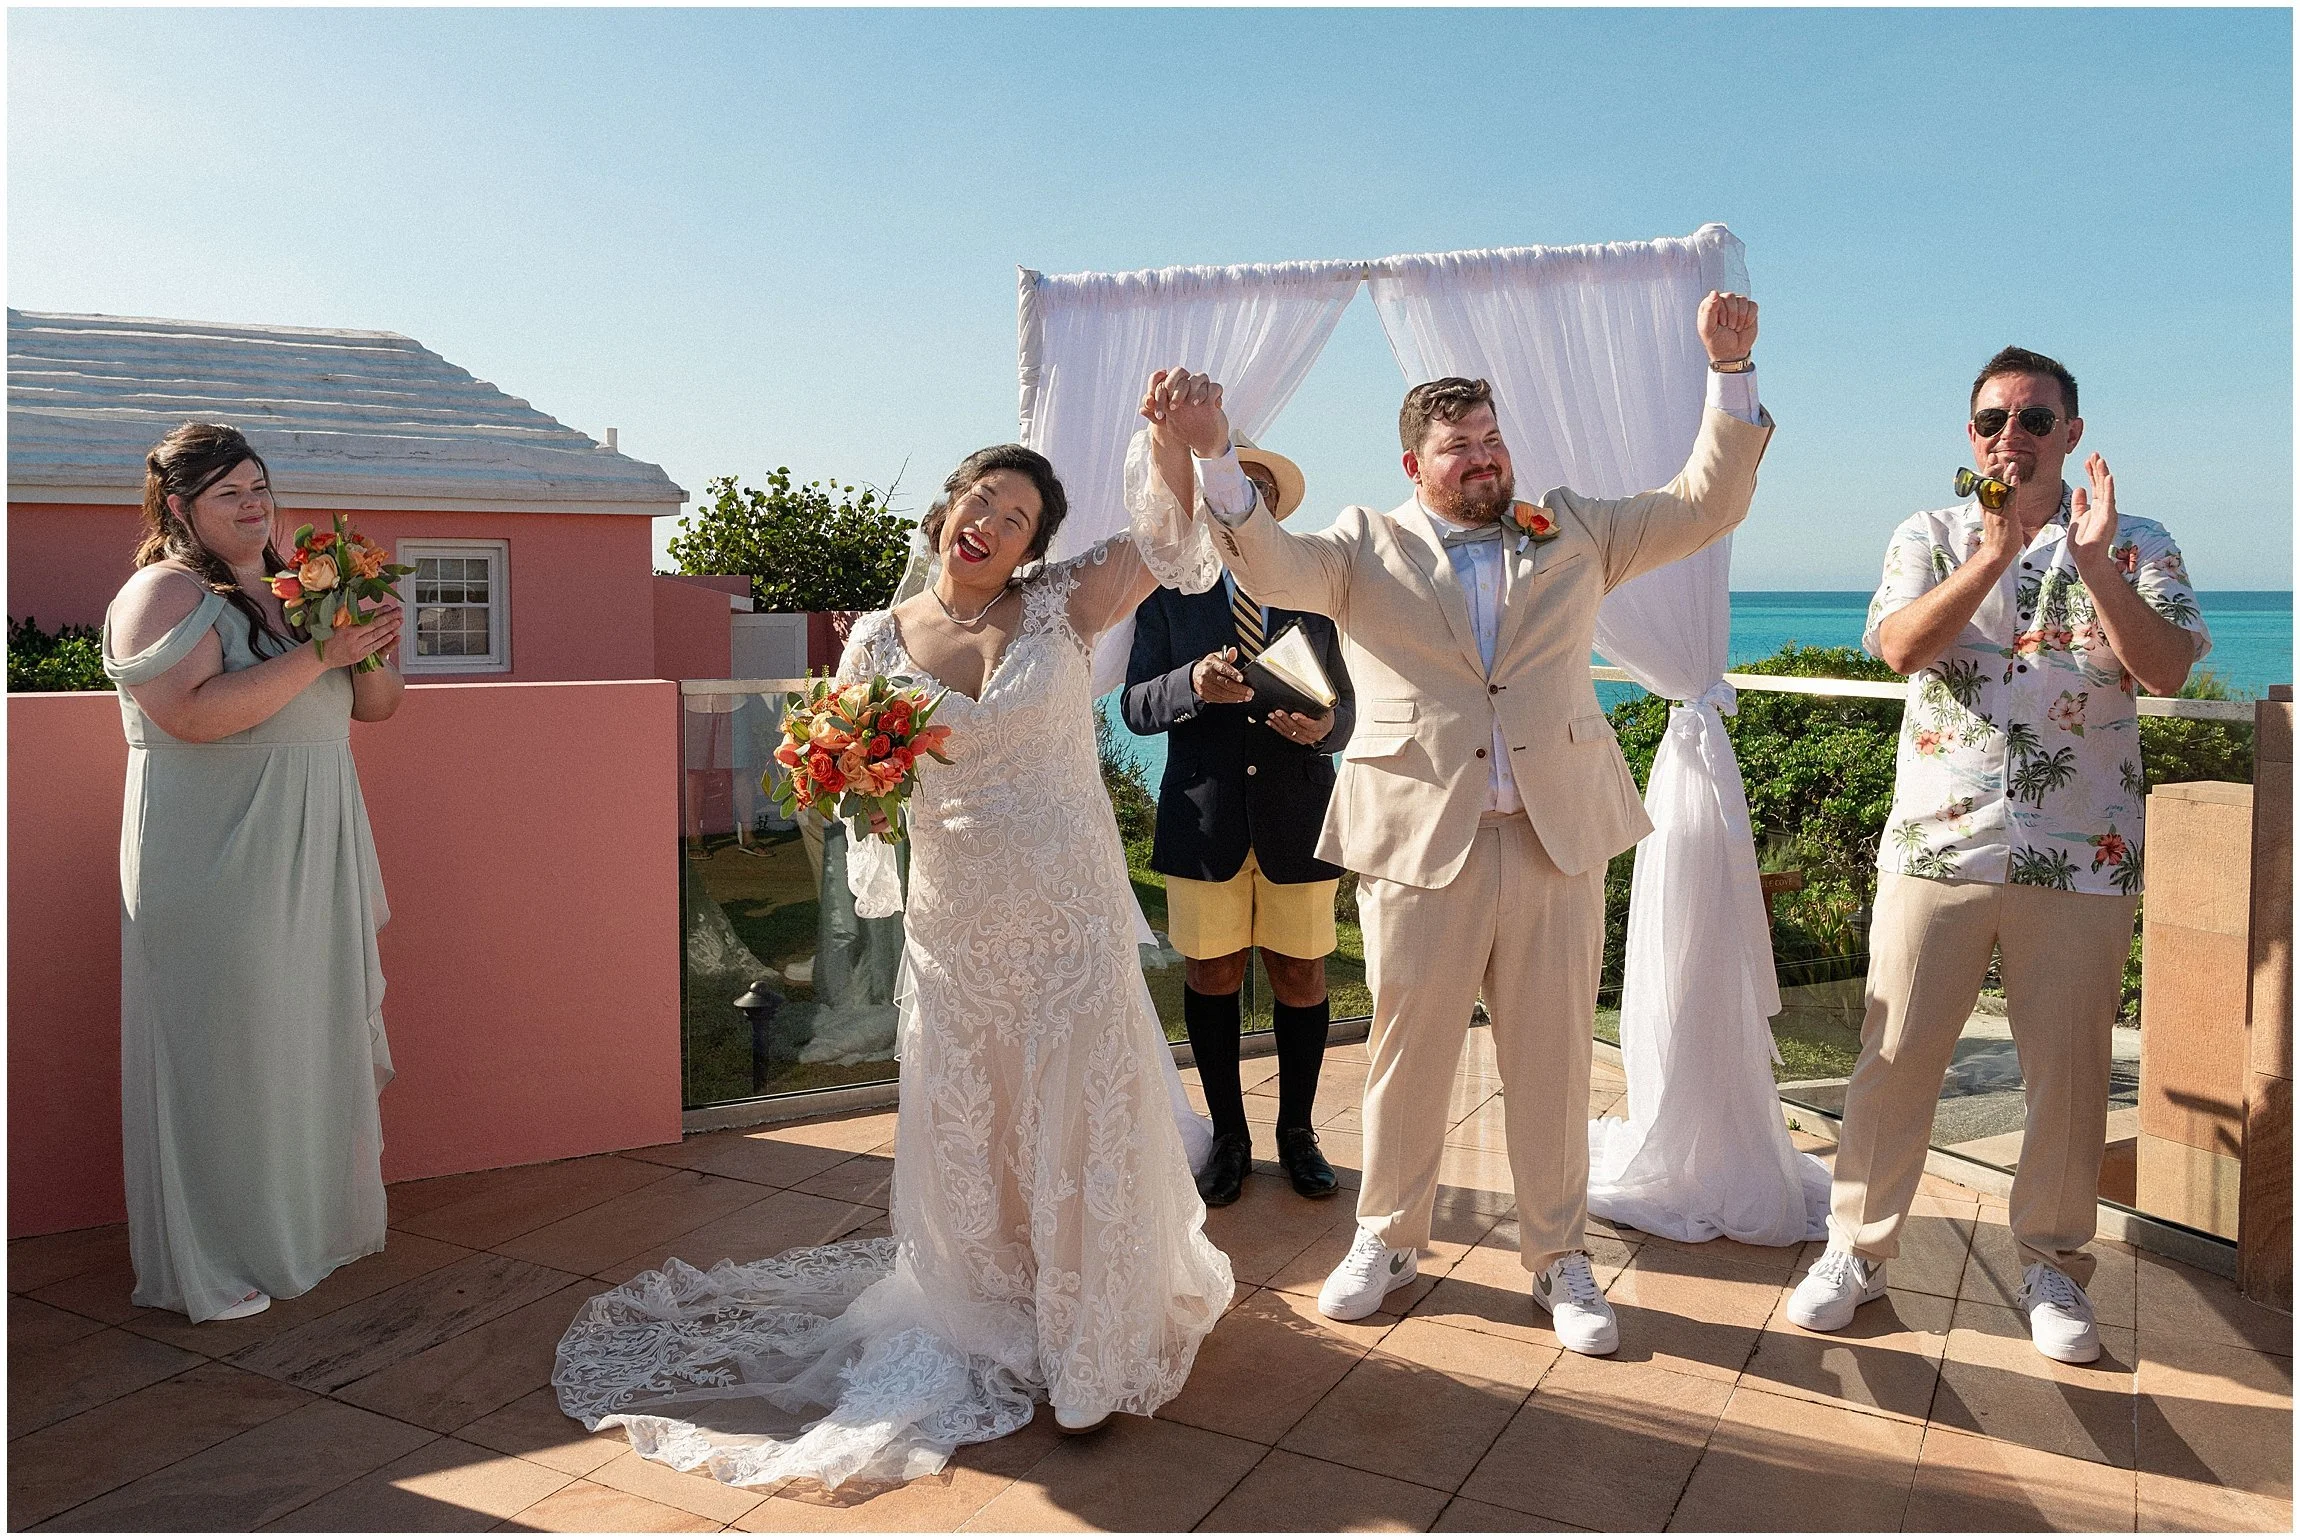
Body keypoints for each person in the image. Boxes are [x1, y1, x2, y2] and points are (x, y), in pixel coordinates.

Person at [555, 439, 1233, 1490]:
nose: (989, 524)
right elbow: (842, 781)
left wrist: (1178, 443)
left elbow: (1163, 535)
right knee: (978, 1112)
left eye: (1015, 518)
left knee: (1078, 1110)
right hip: (955, 924)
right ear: (945, 507)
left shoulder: (1064, 604)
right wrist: (845, 773)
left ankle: (1090, 1338)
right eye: (980, 500)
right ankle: (987, 1313)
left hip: (1067, 918)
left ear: (1031, 548)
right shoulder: (878, 636)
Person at [1143, 291, 1770, 1355]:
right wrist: (1211, 458)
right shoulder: (1360, 546)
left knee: (1552, 1054)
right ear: (1412, 466)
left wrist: (1729, 372)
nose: (1482, 458)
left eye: (1490, 438)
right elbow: (1268, 563)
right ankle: (1385, 1239)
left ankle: (1559, 1258)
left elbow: (1706, 501)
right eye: (1457, 446)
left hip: (1554, 835)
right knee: (1405, 1053)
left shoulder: (1578, 527)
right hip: (1416, 842)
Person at [1788, 347, 2209, 1364]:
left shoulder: (2136, 539)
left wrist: (2096, 561)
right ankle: (1856, 1247)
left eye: (2030, 420)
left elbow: (2159, 671)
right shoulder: (1925, 534)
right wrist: (1991, 550)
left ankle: (2051, 1265)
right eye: (1989, 421)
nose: (2006, 438)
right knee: (1891, 1059)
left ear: (2069, 433)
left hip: (2081, 852)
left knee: (2063, 1072)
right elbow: (1895, 649)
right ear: (1966, 434)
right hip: (1939, 839)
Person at [101, 421, 405, 1323]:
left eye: (260, 486)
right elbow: (189, 717)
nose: (254, 504)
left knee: (298, 1046)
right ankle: (210, 1260)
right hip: (217, 853)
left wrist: (368, 641)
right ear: (178, 506)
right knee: (223, 1054)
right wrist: (323, 654)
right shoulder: (161, 591)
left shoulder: (292, 589)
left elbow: (379, 708)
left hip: (312, 844)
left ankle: (293, 1236)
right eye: (230, 491)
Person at [1122, 436, 1356, 1207]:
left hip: (1298, 819)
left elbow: (1348, 709)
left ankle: (1297, 1133)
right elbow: (1133, 704)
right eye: (1229, 488)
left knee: (1300, 974)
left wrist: (1323, 731)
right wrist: (1190, 682)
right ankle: (1229, 1136)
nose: (1239, 501)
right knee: (1213, 975)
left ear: (1272, 510)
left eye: (1254, 490)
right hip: (1205, 821)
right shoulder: (1167, 596)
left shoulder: (1316, 594)